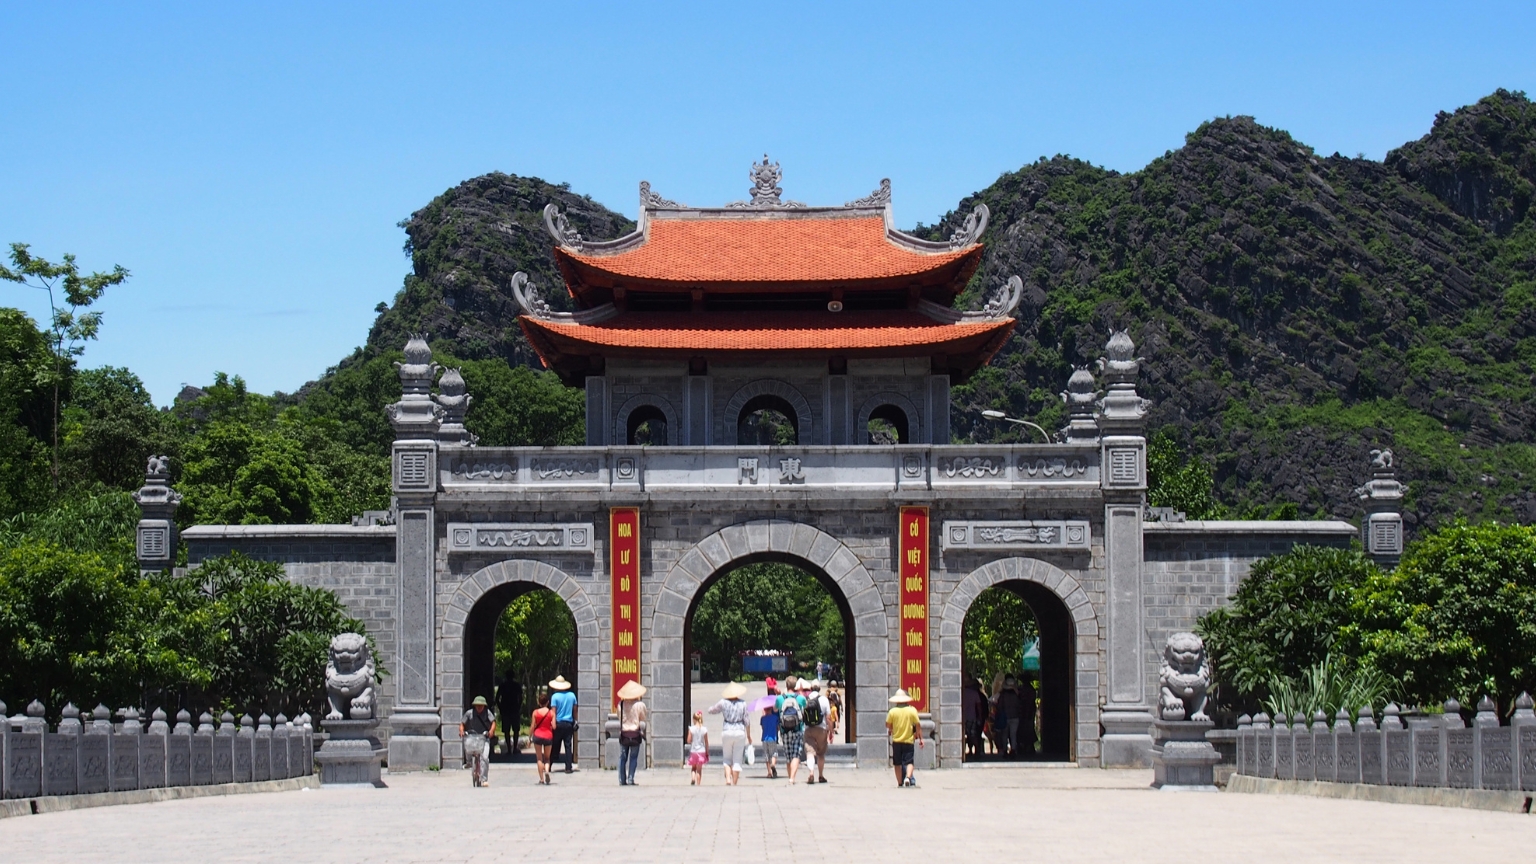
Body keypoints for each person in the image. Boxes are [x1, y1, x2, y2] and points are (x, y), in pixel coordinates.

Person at [706, 681, 752, 785]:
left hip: (727, 730)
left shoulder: (723, 702)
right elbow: (747, 721)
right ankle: (735, 782)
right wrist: (749, 735)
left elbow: (712, 710)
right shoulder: (743, 703)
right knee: (737, 759)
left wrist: (708, 709)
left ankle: (727, 779)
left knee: (727, 758)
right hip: (740, 731)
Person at [885, 688, 924, 787]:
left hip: (896, 740)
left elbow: (888, 725)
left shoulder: (892, 711)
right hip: (909, 740)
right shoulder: (912, 710)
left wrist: (892, 729)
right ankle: (908, 777)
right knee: (909, 761)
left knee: (897, 763)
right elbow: (918, 725)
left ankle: (899, 782)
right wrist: (920, 738)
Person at [459, 695, 497, 787]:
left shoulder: (487, 713)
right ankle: (469, 762)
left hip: (484, 737)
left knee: (484, 758)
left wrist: (491, 731)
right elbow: (462, 723)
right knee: (467, 746)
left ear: (484, 706)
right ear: (474, 705)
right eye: (477, 705)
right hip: (472, 737)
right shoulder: (469, 713)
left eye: (481, 705)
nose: (479, 707)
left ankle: (484, 779)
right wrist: (461, 731)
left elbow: (493, 722)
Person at [616, 679, 647, 786]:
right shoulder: (640, 705)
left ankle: (622, 780)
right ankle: (631, 779)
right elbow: (643, 718)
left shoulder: (621, 704)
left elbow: (618, 716)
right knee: (633, 757)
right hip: (635, 733)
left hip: (624, 733)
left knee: (622, 758)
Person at [802, 679, 833, 784]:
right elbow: (828, 717)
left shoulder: (806, 699)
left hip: (808, 729)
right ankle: (820, 775)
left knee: (810, 752)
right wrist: (831, 731)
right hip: (821, 729)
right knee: (820, 753)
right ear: (819, 689)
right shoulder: (824, 700)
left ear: (810, 688)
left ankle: (811, 773)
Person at [776, 679, 807, 783]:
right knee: (796, 754)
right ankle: (792, 778)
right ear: (795, 686)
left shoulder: (780, 698)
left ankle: (790, 776)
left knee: (788, 755)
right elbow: (805, 708)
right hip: (797, 729)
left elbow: (775, 709)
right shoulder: (801, 698)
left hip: (784, 730)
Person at [548, 675, 577, 773]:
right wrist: (575, 720)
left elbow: (553, 712)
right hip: (569, 723)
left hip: (558, 723)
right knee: (568, 746)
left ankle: (549, 765)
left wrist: (553, 724)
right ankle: (568, 767)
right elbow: (575, 710)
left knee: (555, 745)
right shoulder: (572, 695)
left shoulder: (554, 697)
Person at [529, 691, 556, 785]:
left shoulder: (535, 712)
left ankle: (541, 779)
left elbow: (532, 726)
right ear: (548, 702)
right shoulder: (551, 713)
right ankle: (547, 771)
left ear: (539, 702)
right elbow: (554, 726)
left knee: (539, 758)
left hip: (538, 735)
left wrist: (529, 737)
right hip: (548, 736)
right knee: (547, 758)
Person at [997, 675, 1024, 759]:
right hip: (1015, 716)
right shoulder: (1017, 695)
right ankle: (1013, 750)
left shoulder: (1003, 695)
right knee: (1013, 734)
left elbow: (999, 706)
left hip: (1005, 716)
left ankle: (1005, 750)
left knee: (1004, 734)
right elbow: (1021, 705)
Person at [496, 675, 523, 756]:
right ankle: (515, 748)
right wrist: (519, 706)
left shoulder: (503, 685)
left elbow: (497, 698)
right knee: (516, 730)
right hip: (514, 709)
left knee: (506, 731)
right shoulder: (516, 685)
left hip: (505, 710)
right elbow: (521, 697)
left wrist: (500, 707)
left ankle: (509, 749)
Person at [962, 677, 986, 759]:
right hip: (972, 717)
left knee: (963, 735)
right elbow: (979, 706)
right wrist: (980, 716)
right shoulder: (975, 694)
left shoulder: (962, 693)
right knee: (973, 735)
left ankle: (965, 751)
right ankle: (977, 749)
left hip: (962, 717)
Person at [759, 695, 780, 779]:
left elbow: (763, 727)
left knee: (766, 755)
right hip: (773, 738)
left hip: (764, 739)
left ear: (764, 709)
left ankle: (769, 772)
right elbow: (777, 728)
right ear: (771, 708)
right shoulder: (775, 718)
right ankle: (773, 765)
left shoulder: (762, 718)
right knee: (774, 753)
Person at [686, 710, 709, 785]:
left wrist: (693, 739)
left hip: (694, 751)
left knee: (693, 768)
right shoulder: (704, 729)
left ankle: (693, 778)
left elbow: (688, 740)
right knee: (699, 770)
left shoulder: (691, 729)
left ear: (694, 719)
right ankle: (698, 784)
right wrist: (707, 752)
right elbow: (706, 742)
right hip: (701, 751)